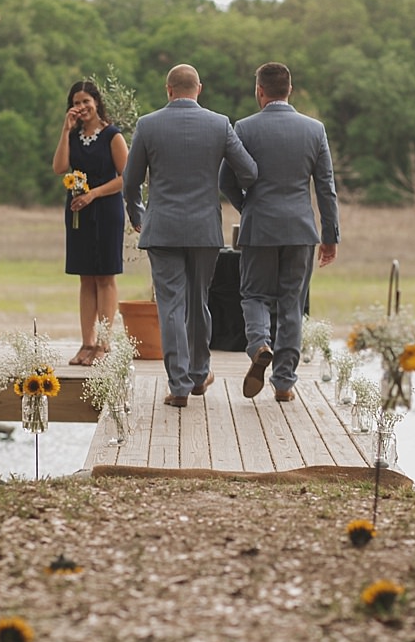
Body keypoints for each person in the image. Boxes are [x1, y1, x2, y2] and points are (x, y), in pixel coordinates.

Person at [123, 64, 258, 406]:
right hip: (203, 229)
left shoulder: (148, 125)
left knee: (170, 305)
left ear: (168, 90)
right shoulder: (219, 124)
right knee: (198, 302)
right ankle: (200, 374)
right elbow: (249, 170)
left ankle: (179, 385)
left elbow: (131, 180)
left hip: (162, 228)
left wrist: (138, 214)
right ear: (200, 88)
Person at [219, 62, 340, 402]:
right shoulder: (314, 130)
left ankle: (259, 344)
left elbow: (225, 179)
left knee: (254, 294)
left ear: (260, 91)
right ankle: (284, 383)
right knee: (292, 303)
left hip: (259, 226)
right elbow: (326, 187)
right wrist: (330, 235)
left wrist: (248, 207)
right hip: (301, 228)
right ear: (290, 90)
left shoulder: (244, 128)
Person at [53, 80, 129, 366]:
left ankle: (104, 344)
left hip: (106, 209)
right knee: (85, 276)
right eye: (76, 102)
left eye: (86, 101)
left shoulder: (112, 135)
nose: (82, 107)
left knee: (105, 275)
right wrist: (65, 130)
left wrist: (93, 194)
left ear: (96, 102)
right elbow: (60, 167)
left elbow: (126, 177)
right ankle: (86, 342)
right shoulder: (73, 136)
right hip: (77, 212)